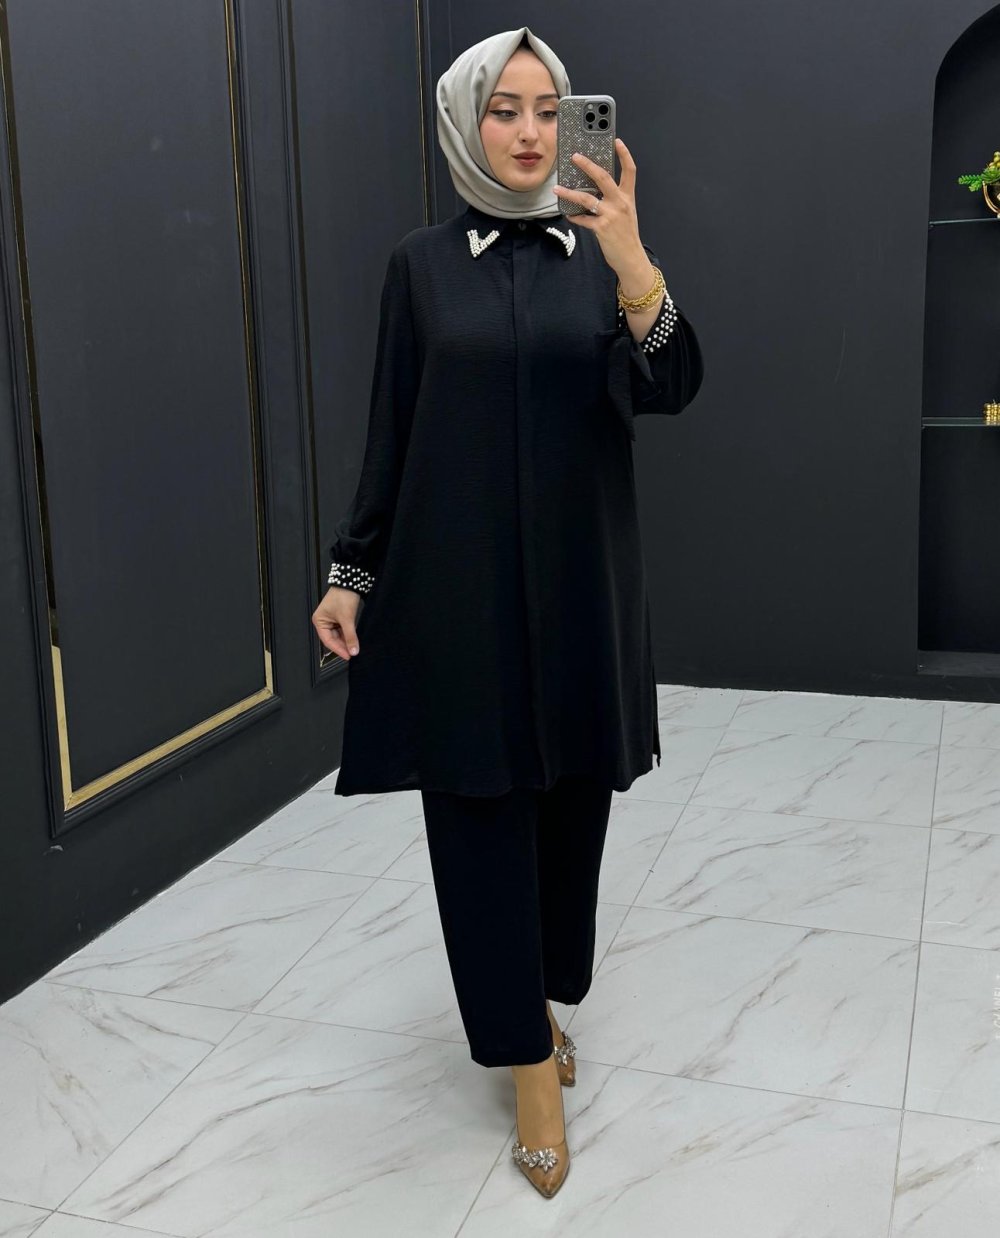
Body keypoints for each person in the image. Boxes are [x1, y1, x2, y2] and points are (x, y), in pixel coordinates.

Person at [311, 26, 703, 1198]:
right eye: (504, 108)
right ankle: (526, 1061)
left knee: (571, 809)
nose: (530, 132)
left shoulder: (601, 255)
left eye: (548, 108)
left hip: (582, 589)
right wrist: (351, 570)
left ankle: (541, 997)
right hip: (458, 597)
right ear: (463, 120)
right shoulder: (420, 267)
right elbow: (391, 427)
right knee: (479, 819)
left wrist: (635, 263)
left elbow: (673, 386)